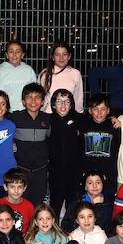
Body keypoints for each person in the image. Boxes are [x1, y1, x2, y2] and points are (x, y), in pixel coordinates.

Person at [12, 83, 53, 208]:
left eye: (37, 97)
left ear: (42, 102)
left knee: (37, 206)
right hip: (20, 170)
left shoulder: (48, 119)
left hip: (40, 171)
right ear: (23, 101)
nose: (33, 101)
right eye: (29, 97)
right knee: (20, 205)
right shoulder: (15, 118)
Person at [47, 89, 83, 222]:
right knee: (55, 205)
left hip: (74, 172)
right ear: (53, 104)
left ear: (72, 104)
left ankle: (70, 232)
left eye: (67, 101)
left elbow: (98, 119)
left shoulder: (80, 119)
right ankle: (53, 232)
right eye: (59, 101)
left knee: (73, 206)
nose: (63, 105)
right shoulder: (48, 120)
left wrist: (113, 118)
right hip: (55, 172)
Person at [78, 94, 119, 192]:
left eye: (103, 109)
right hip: (88, 175)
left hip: (109, 175)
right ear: (90, 110)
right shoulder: (82, 124)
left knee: (106, 204)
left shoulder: (115, 126)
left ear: (108, 110)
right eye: (96, 109)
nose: (99, 112)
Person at [0, 39, 38, 112]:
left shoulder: (29, 71)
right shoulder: (0, 71)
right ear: (6, 55)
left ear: (22, 55)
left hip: (26, 112)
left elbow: (36, 93)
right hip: (5, 112)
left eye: (18, 52)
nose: (14, 55)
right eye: (11, 51)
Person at [0, 168, 36, 233]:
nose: (16, 190)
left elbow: (33, 227)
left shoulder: (29, 206)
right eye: (12, 187)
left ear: (24, 188)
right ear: (5, 187)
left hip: (22, 241)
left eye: (19, 187)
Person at [61, 170, 115, 236]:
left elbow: (106, 227)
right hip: (80, 237)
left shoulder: (109, 202)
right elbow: (66, 224)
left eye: (98, 182)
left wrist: (98, 206)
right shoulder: (77, 201)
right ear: (85, 187)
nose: (94, 186)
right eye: (90, 183)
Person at [39, 42, 84, 112]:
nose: (61, 58)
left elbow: (78, 99)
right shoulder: (45, 73)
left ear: (69, 56)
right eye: (57, 54)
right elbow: (39, 98)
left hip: (68, 117)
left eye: (64, 54)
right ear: (53, 57)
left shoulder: (75, 74)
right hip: (48, 116)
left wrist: (78, 115)